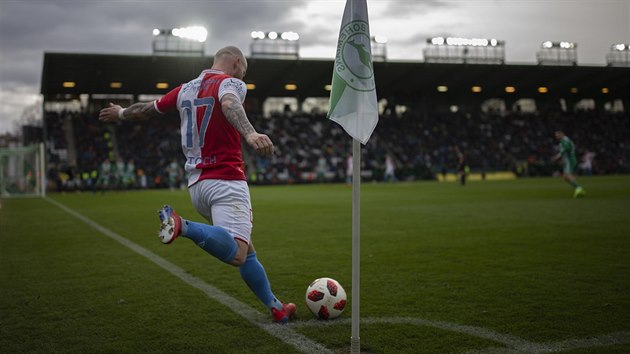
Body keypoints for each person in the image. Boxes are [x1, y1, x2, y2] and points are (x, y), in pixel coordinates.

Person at [98, 46, 296, 323]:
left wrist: (120, 114)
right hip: (226, 180)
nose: (243, 76)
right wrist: (250, 134)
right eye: (244, 71)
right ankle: (182, 225)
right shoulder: (231, 82)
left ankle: (276, 307)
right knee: (238, 254)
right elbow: (229, 103)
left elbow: (146, 109)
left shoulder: (184, 89)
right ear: (237, 63)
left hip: (197, 186)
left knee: (247, 249)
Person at [553, 130, 586, 198]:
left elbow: (567, 148)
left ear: (562, 134)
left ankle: (578, 188)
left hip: (569, 160)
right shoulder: (563, 141)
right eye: (556, 136)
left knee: (567, 176)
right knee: (566, 177)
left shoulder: (565, 140)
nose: (557, 137)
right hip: (567, 160)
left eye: (558, 135)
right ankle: (579, 189)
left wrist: (558, 156)